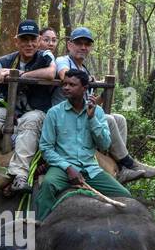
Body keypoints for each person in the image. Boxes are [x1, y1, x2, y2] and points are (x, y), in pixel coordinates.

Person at [51, 26, 155, 184]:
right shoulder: (63, 61)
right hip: (67, 114)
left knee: (119, 118)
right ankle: (128, 163)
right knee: (108, 119)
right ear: (69, 45)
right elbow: (65, 75)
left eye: (87, 44)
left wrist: (101, 95)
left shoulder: (84, 69)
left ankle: (121, 165)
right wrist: (88, 81)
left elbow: (89, 102)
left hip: (82, 112)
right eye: (79, 43)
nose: (83, 47)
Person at [0, 19, 55, 194]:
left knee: (32, 120)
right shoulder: (7, 60)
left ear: (38, 40)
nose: (29, 44)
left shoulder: (45, 57)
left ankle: (19, 175)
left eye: (32, 40)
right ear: (17, 41)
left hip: (33, 110)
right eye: (24, 40)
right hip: (6, 108)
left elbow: (51, 73)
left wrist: (22, 75)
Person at [34, 68, 133, 220]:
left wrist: (92, 118)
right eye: (64, 84)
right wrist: (68, 168)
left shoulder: (97, 112)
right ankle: (40, 228)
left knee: (125, 196)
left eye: (72, 85)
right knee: (47, 185)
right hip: (62, 167)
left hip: (90, 168)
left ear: (84, 89)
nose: (66, 87)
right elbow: (46, 148)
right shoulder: (54, 113)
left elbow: (105, 144)